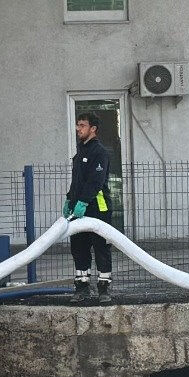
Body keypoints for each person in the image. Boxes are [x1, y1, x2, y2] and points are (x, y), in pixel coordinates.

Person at [64, 112, 114, 304]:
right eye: (78, 125)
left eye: (82, 125)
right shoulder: (80, 153)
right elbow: (77, 182)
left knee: (101, 247)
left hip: (97, 208)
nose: (78, 129)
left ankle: (104, 289)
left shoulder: (99, 152)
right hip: (78, 209)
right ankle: (82, 287)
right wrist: (69, 200)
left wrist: (83, 202)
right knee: (78, 248)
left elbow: (96, 181)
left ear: (93, 129)